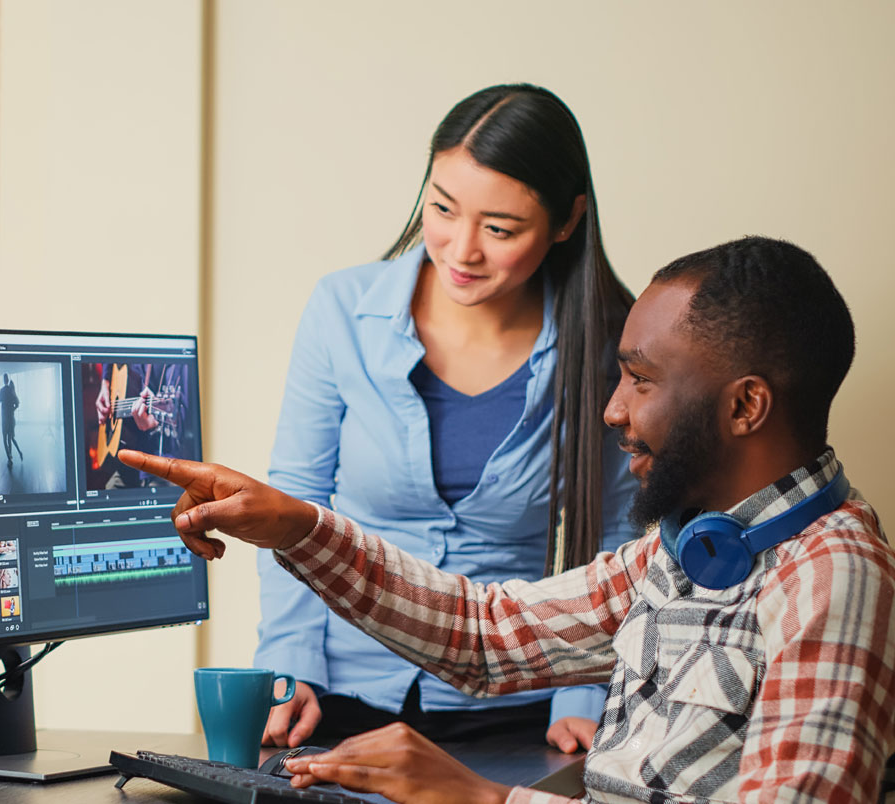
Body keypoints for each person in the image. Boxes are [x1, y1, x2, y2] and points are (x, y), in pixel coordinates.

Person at [123, 237, 895, 802]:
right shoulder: (695, 544)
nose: (612, 410)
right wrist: (295, 526)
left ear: (745, 406)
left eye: (641, 381)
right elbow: (486, 638)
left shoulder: (834, 573)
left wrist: (487, 800)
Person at [259, 83, 638, 753]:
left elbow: (615, 536)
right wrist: (288, 669)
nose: (461, 249)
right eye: (442, 208)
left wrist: (582, 691)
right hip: (337, 701)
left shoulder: (609, 344)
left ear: (567, 220)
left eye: (500, 229)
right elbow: (294, 505)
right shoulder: (342, 311)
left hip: (522, 709)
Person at [0, 373, 22, 467]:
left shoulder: (2, 391)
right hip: (11, 418)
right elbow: (17, 404)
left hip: (4, 419)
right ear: (8, 380)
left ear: (3, 380)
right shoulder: (12, 391)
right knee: (10, 439)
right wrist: (12, 410)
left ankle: (9, 458)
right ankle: (11, 458)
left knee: (4, 439)